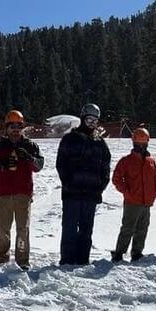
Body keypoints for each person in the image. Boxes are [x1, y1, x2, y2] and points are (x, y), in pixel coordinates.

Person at [0, 110, 44, 270]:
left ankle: (22, 260)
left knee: (23, 229)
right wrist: (1, 165)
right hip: (4, 194)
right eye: (12, 126)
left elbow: (39, 165)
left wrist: (29, 158)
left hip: (23, 194)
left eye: (19, 126)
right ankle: (1, 259)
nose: (16, 130)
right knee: (3, 228)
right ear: (7, 128)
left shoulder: (30, 146)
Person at [56, 103, 111, 265]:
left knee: (86, 230)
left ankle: (82, 260)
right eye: (89, 120)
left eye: (95, 121)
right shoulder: (69, 139)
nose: (92, 124)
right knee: (70, 228)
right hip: (72, 193)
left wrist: (100, 186)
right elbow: (61, 164)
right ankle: (67, 260)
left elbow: (105, 167)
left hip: (91, 194)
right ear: (82, 119)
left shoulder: (100, 143)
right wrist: (68, 182)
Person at [111, 127, 156, 262]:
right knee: (128, 228)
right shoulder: (126, 161)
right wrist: (127, 192)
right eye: (138, 143)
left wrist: (154, 194)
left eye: (143, 143)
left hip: (147, 202)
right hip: (132, 202)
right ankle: (119, 253)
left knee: (142, 229)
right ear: (133, 143)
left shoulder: (151, 161)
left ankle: (137, 253)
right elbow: (116, 178)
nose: (141, 146)